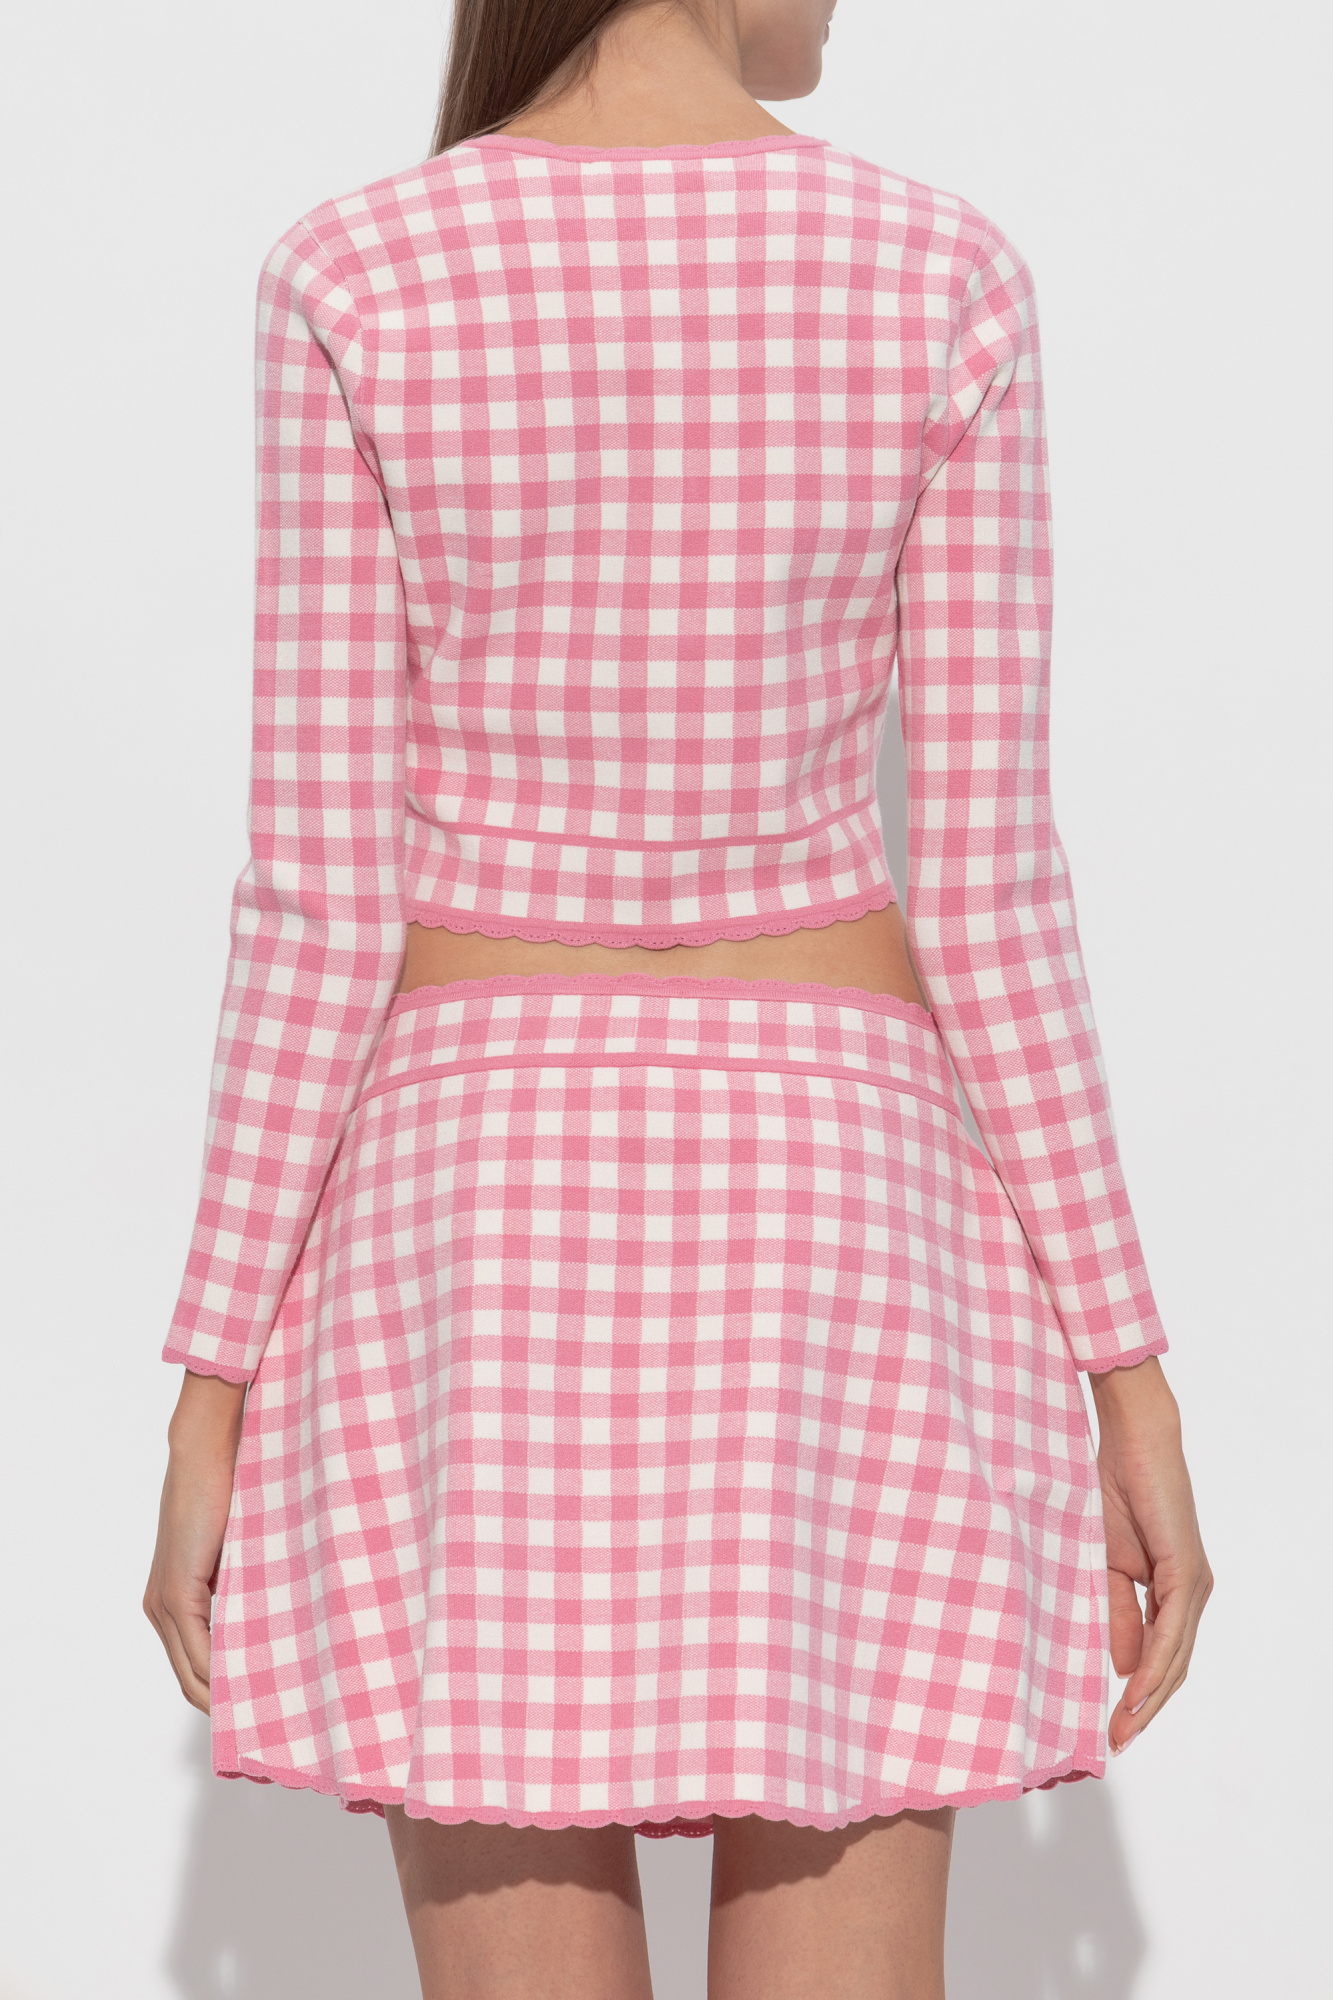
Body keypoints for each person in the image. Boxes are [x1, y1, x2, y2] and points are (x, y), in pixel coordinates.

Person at [144, 2, 1212, 1993]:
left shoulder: (359, 268)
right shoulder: (936, 269)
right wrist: (1122, 1368)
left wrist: (214, 1375)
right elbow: (990, 889)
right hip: (838, 1205)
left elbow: (315, 897)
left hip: (476, 1214)